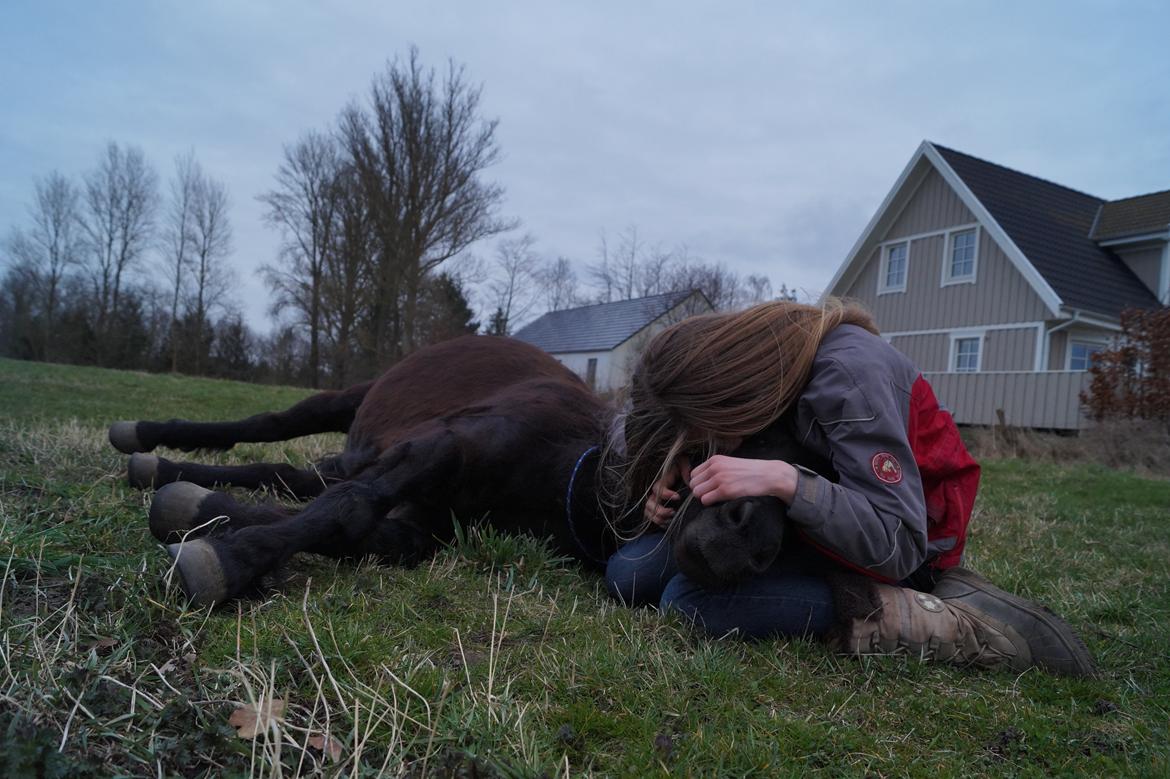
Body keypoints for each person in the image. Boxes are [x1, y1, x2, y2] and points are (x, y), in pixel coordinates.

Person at [606, 298, 1094, 676]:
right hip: (813, 533)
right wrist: (665, 471)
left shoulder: (850, 377)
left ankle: (946, 621)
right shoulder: (760, 364)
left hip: (908, 551)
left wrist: (786, 481)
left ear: (730, 396)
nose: (703, 445)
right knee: (630, 574)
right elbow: (633, 420)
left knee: (689, 603)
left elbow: (898, 541)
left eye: (703, 431)